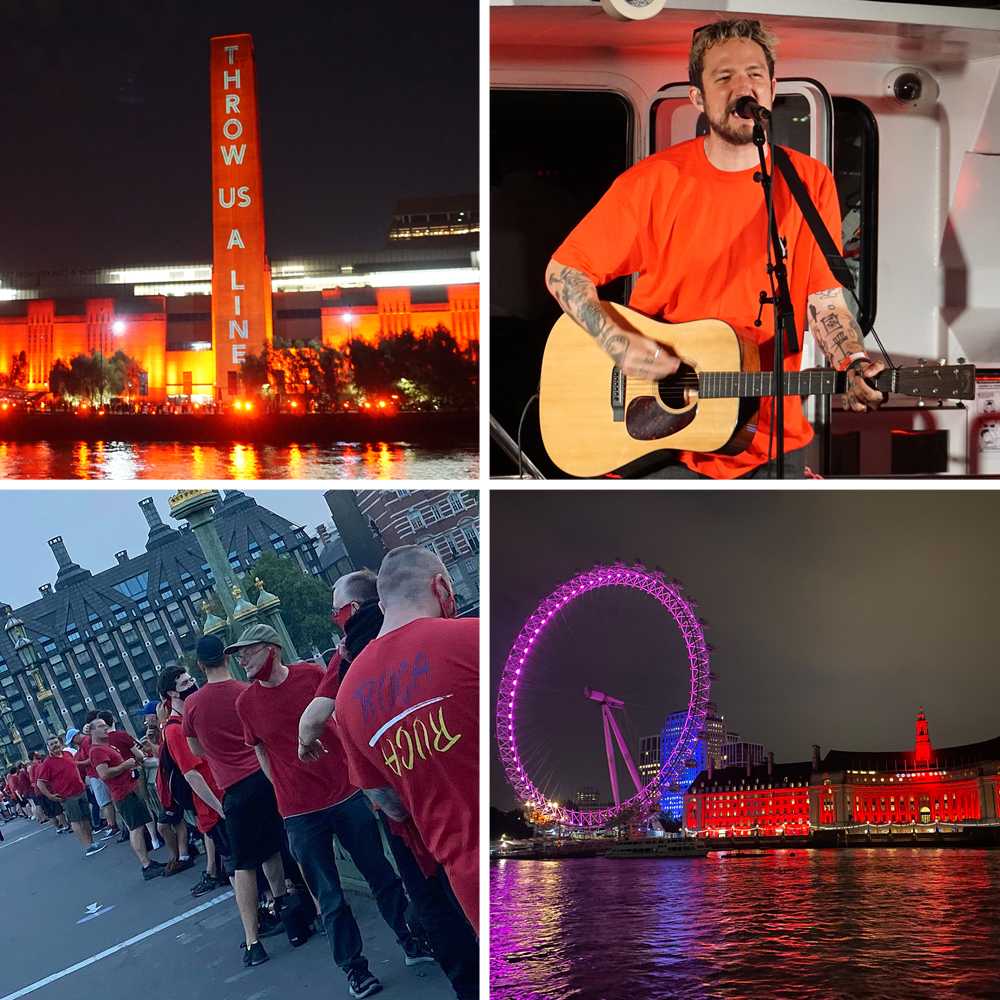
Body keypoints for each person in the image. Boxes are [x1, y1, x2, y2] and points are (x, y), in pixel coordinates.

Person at [544, 18, 884, 480]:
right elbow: (564, 271)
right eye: (724, 78)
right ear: (698, 98)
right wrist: (619, 344)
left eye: (754, 75)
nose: (742, 87)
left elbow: (824, 299)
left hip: (769, 439)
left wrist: (852, 361)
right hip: (659, 443)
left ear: (771, 89)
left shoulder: (808, 182)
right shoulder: (654, 182)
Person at [300, 569, 480, 1000]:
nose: (337, 623)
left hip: (428, 840)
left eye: (338, 613)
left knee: (454, 942)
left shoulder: (348, 677)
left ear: (364, 609)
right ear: (440, 587)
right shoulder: (469, 636)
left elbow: (312, 726)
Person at [231, 622, 431, 1000]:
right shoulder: (246, 703)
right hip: (299, 812)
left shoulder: (311, 676)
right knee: (329, 896)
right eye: (239, 654)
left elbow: (341, 719)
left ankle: (411, 941)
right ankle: (355, 970)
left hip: (345, 794)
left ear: (271, 648)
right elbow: (261, 752)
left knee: (382, 876)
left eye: (249, 650)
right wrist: (283, 791)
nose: (242, 659)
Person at [333, 546, 479, 937]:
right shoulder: (475, 638)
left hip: (468, 877)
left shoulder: (347, 698)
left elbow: (387, 802)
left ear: (381, 604)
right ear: (442, 586)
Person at [182, 634, 287, 968]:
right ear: (227, 659)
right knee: (272, 848)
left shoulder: (193, 705)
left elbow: (196, 750)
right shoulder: (244, 692)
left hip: (234, 789)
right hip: (264, 778)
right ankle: (286, 907)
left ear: (200, 664)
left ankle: (253, 939)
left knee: (243, 863)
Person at [157, 665, 231, 897]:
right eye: (185, 684)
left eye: (191, 680)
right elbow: (191, 774)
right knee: (239, 865)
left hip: (227, 790)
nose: (192, 685)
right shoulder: (175, 730)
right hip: (215, 804)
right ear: (172, 693)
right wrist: (218, 808)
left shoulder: (195, 714)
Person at [88, 716, 166, 879]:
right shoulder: (97, 751)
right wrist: (125, 765)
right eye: (101, 726)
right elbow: (104, 774)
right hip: (122, 793)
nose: (105, 728)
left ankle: (148, 862)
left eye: (105, 725)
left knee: (138, 825)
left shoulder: (106, 746)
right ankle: (146, 864)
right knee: (135, 828)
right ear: (93, 731)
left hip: (129, 788)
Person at [36, 735, 106, 857]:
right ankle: (88, 846)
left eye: (56, 742)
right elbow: (40, 783)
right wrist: (50, 796)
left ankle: (92, 842)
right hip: (67, 796)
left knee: (85, 818)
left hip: (80, 790)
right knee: (76, 821)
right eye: (51, 744)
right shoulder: (47, 763)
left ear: (60, 743)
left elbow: (75, 767)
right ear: (48, 748)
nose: (55, 746)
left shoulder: (67, 754)